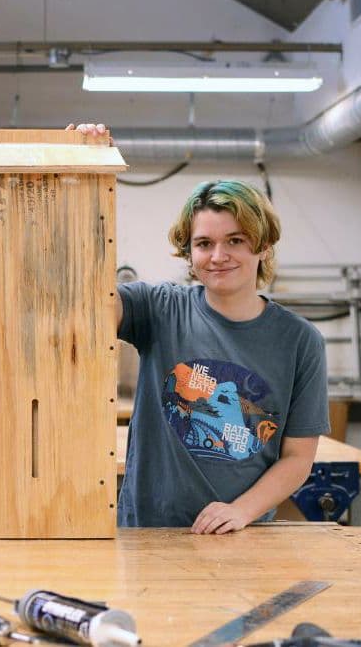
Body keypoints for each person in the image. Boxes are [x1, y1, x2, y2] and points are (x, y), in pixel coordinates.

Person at [116, 179, 329, 533]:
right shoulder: (157, 310)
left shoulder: (300, 341)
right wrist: (77, 171)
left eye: (235, 241)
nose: (218, 256)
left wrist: (240, 511)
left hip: (239, 538)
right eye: (204, 244)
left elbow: (297, 458)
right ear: (189, 253)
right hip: (147, 534)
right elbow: (84, 304)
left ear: (263, 246)